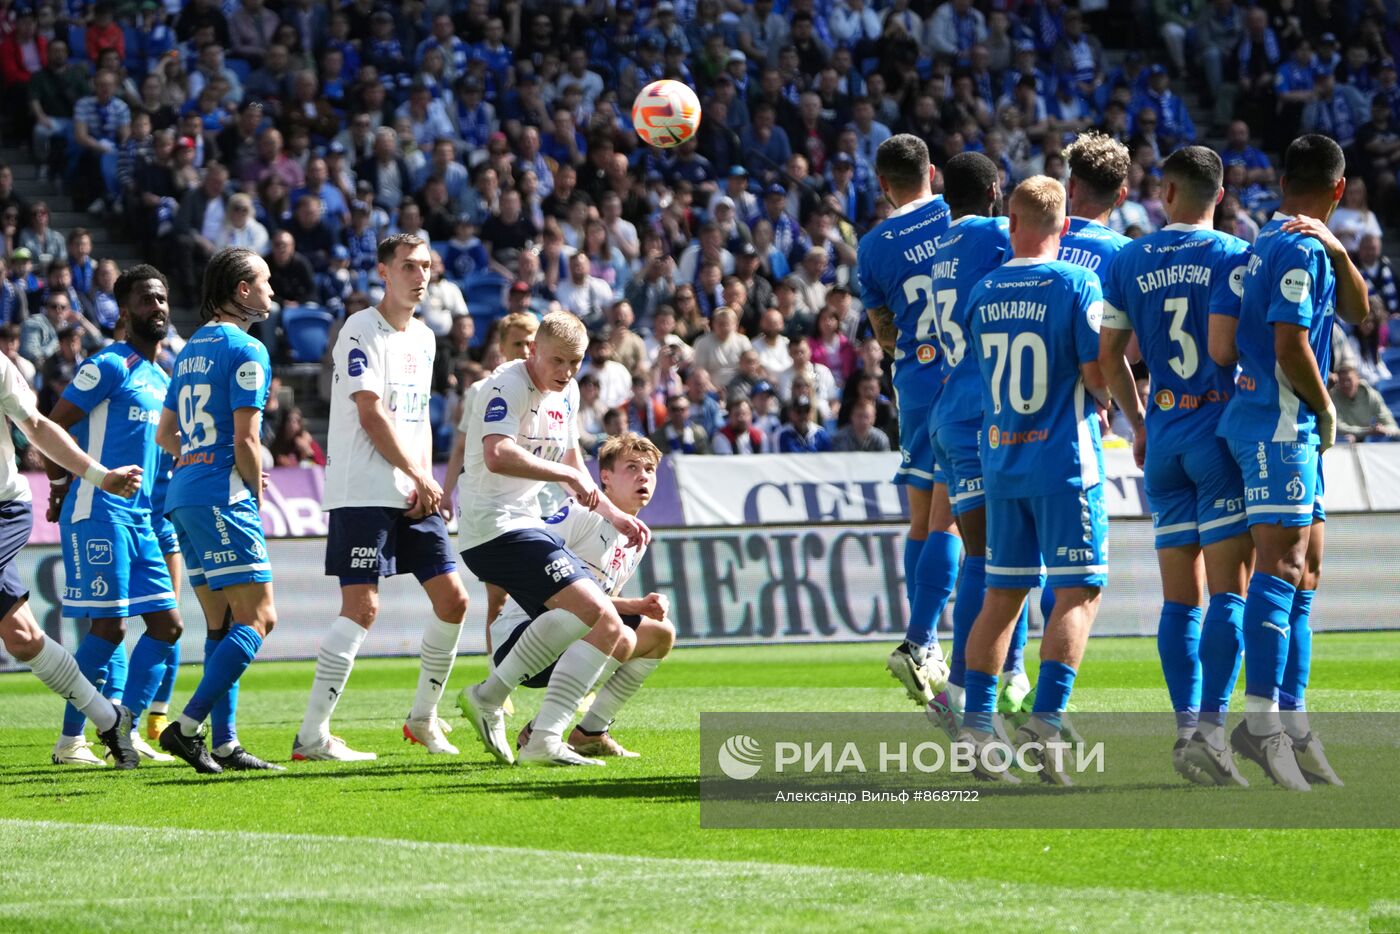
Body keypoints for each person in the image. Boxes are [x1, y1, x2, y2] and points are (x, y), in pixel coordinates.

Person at [1097, 146, 1255, 786]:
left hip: (1161, 439)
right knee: (1231, 594)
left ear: (1166, 191)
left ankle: (1186, 729)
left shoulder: (1129, 257)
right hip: (1218, 435)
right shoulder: (1235, 257)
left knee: (1179, 602)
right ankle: (1213, 732)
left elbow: (1111, 358)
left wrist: (1137, 424)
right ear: (1220, 195)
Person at [1213, 135, 1366, 790]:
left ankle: (1293, 721)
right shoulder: (1299, 249)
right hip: (1281, 427)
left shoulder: (1258, 245)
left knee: (1305, 573)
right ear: (1339, 189)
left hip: (1275, 423)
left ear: (1281, 181)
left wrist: (1339, 249)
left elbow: (1359, 311)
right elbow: (1290, 344)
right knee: (1279, 569)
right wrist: (1327, 407)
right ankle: (1261, 724)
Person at [293, 234, 469, 761]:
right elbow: (371, 415)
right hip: (364, 489)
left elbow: (417, 420)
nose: (421, 276)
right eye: (410, 266)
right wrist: (419, 474)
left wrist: (426, 478)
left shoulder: (426, 338)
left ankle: (423, 719)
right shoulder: (359, 329)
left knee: (454, 599)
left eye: (427, 267)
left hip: (413, 489)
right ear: (384, 272)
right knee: (362, 607)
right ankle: (312, 736)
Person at [959, 176, 1110, 786]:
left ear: (1011, 222)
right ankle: (1046, 724)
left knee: (1003, 597)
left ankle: (974, 727)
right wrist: (1106, 394)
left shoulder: (983, 289)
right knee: (1078, 592)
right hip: (1064, 465)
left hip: (1001, 463)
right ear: (1065, 227)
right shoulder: (1078, 282)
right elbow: (1096, 371)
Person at [454, 312, 647, 767]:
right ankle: (531, 729)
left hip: (525, 523)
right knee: (599, 614)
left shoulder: (568, 392)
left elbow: (573, 460)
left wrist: (613, 513)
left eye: (575, 363)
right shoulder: (505, 385)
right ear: (533, 351)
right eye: (557, 360)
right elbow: (497, 454)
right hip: (491, 526)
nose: (566, 372)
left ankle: (501, 705)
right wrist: (562, 473)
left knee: (597, 621)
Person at [44, 265, 185, 767]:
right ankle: (70, 742)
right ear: (124, 312)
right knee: (108, 629)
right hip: (98, 510)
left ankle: (121, 725)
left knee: (168, 627)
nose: (159, 307)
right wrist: (62, 487)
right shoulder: (109, 365)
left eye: (163, 298)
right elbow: (53, 427)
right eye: (148, 299)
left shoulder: (162, 379)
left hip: (143, 519)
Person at [154, 247, 282, 774]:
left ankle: (225, 744)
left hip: (182, 493)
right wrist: (252, 488)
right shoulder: (247, 350)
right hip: (220, 496)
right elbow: (247, 439)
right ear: (242, 291)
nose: (273, 290)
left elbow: (166, 434)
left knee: (222, 621)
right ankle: (187, 729)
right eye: (265, 281)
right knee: (260, 617)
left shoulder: (187, 352)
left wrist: (198, 461)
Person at [920, 152, 1031, 738]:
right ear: (995, 192)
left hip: (949, 409)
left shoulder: (940, 250)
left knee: (981, 557)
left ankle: (986, 680)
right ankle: (980, 688)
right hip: (986, 411)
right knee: (1004, 558)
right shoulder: (994, 235)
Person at [0, 343, 145, 769]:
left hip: (3, 508)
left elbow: (38, 427)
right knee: (21, 638)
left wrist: (99, 476)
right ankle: (108, 718)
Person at [496, 434, 673, 759]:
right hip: (523, 640)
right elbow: (532, 566)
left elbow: (603, 601)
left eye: (649, 469)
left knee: (660, 634)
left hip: (576, 638)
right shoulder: (580, 510)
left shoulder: (637, 536)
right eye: (631, 467)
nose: (643, 476)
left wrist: (640, 606)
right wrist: (634, 606)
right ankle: (542, 734)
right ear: (605, 477)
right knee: (617, 632)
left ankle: (590, 732)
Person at [857, 134, 956, 707]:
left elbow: (884, 332)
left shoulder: (872, 246)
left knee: (923, 513)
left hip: (915, 381)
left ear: (883, 184)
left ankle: (926, 636)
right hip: (962, 375)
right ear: (934, 171)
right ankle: (922, 640)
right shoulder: (962, 217)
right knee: (952, 520)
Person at [1330, 363, 1400, 442]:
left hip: (1364, 438)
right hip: (1342, 439)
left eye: (1349, 380)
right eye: (1342, 381)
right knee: (1347, 439)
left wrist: (1385, 430)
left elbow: (1392, 425)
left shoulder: (1372, 395)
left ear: (1357, 379)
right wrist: (1367, 431)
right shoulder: (1332, 397)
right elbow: (1337, 427)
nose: (1346, 384)